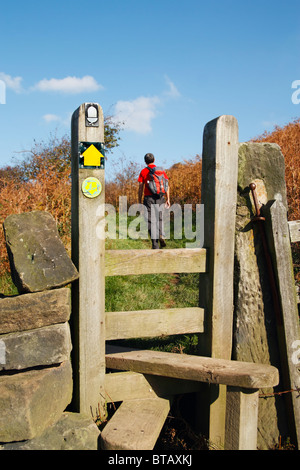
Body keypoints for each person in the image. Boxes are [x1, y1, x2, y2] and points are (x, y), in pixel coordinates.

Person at [138, 153, 170, 249]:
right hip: (160, 197)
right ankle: (161, 234)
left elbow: (140, 187)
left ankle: (155, 245)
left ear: (145, 161)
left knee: (150, 221)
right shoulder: (161, 171)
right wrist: (168, 199)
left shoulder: (143, 171)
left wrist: (139, 201)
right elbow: (167, 185)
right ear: (154, 160)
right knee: (160, 218)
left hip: (149, 199)